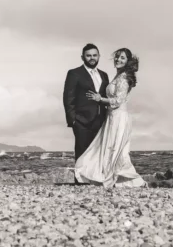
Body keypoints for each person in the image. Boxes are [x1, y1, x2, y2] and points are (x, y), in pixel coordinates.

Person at [72, 48, 147, 188]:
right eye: (117, 57)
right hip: (111, 116)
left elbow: (118, 100)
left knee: (116, 148)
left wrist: (100, 99)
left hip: (119, 117)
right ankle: (109, 176)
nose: (118, 60)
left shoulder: (124, 77)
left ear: (127, 61)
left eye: (122, 58)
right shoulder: (117, 76)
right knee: (109, 148)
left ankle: (123, 178)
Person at [63, 43, 110, 160]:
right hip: (82, 123)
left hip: (101, 122)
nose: (92, 58)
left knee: (98, 158)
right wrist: (73, 120)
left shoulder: (104, 75)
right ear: (82, 57)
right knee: (82, 157)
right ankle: (79, 179)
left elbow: (105, 97)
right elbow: (68, 98)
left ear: (99, 56)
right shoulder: (74, 73)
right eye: (88, 55)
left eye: (94, 55)